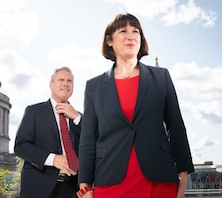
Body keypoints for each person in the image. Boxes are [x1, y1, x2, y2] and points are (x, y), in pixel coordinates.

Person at [77, 13, 194, 198]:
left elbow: (176, 127)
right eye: (123, 31)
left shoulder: (161, 78)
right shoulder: (94, 86)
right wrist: (84, 186)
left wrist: (184, 175)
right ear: (109, 41)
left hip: (159, 181)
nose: (131, 36)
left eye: (136, 31)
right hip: (110, 181)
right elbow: (88, 139)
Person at [14, 66, 82, 198]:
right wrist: (53, 159)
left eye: (69, 81)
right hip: (38, 188)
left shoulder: (80, 118)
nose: (65, 84)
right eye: (61, 80)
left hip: (70, 190)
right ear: (51, 84)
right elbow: (21, 146)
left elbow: (93, 147)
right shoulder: (34, 112)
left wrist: (77, 118)